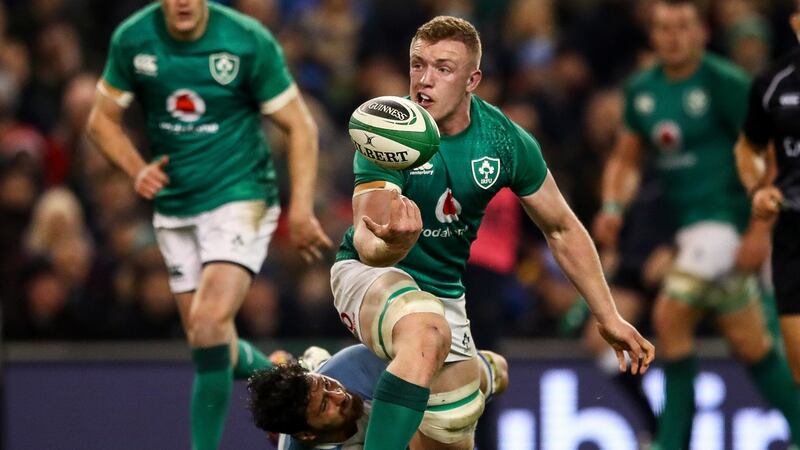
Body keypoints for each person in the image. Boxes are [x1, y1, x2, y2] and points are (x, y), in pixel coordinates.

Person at [331, 15, 654, 450]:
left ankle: (474, 372)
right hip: (367, 276)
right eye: (417, 65)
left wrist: (607, 315)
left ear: (472, 80)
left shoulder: (503, 141)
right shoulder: (388, 127)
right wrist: (391, 242)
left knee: (451, 429)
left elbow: (560, 228)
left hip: (444, 291)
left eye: (443, 69)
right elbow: (367, 240)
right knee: (426, 333)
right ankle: (477, 371)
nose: (424, 80)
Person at [86, 1, 332, 449]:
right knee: (209, 344)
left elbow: (301, 126)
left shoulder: (246, 40)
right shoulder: (133, 39)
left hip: (242, 196)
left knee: (207, 320)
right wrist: (136, 168)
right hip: (176, 205)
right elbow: (100, 120)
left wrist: (300, 209)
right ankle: (284, 372)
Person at [593, 1, 800, 448]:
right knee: (750, 343)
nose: (673, 37)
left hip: (727, 221)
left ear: (702, 32)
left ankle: (671, 442)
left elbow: (770, 156)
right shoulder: (642, 90)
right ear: (653, 35)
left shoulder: (726, 83)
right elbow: (627, 158)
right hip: (690, 231)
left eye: (682, 27)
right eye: (664, 28)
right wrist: (612, 207)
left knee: (670, 315)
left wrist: (760, 231)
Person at [247, 344, 509, 450]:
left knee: (498, 371)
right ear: (306, 436)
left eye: (327, 385)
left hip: (419, 395)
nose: (339, 395)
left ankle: (302, 363)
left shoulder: (362, 367)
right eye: (325, 404)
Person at [735, 0, 800, 385]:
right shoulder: (774, 83)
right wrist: (757, 188)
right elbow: (749, 149)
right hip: (794, 231)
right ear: (796, 24)